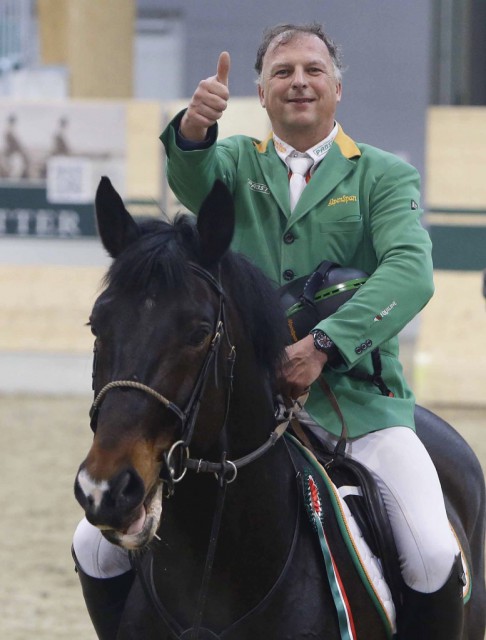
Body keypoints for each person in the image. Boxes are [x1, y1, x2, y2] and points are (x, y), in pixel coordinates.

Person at [73, 23, 464, 640]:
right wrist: (195, 128)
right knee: (93, 547)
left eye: (313, 70)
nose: (298, 82)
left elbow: (410, 272)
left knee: (432, 552)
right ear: (261, 89)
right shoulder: (232, 162)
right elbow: (193, 178)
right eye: (282, 73)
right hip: (241, 408)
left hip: (359, 408)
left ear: (338, 87)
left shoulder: (384, 176)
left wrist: (323, 344)